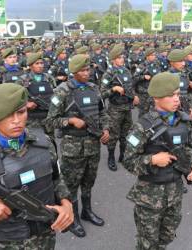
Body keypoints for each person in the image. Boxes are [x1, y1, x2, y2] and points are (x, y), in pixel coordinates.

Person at [0, 83, 73, 250]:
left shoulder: (45, 142)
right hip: (5, 243)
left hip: (44, 238)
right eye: (8, 115)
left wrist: (67, 204)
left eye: (21, 112)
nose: (16, 121)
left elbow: (57, 179)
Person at [123, 72, 192, 250]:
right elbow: (128, 161)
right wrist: (152, 159)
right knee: (147, 243)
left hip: (174, 193)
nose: (176, 99)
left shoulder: (181, 120)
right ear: (157, 97)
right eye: (171, 95)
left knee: (167, 236)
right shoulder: (142, 126)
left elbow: (185, 149)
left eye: (178, 94)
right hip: (150, 197)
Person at [47, 54, 109, 237]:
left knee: (89, 182)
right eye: (82, 70)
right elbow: (51, 121)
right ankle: (73, 218)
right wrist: (71, 120)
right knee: (71, 185)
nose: (87, 72)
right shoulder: (62, 91)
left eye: (88, 69)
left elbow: (102, 113)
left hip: (93, 146)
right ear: (73, 72)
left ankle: (86, 211)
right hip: (73, 148)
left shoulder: (94, 88)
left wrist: (106, 129)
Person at [101, 44, 139, 171]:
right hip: (115, 109)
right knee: (113, 135)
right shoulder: (108, 74)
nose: (122, 59)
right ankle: (111, 157)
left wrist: (134, 96)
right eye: (119, 57)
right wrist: (113, 88)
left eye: (122, 56)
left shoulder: (127, 71)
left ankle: (122, 155)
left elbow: (130, 87)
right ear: (113, 60)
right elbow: (101, 93)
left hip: (127, 108)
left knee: (126, 134)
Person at [16, 52, 56, 137]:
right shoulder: (22, 80)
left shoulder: (49, 78)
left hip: (48, 116)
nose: (40, 65)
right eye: (37, 63)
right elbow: (15, 99)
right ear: (30, 65)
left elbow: (55, 94)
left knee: (50, 141)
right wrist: (26, 104)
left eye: (41, 63)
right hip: (31, 118)